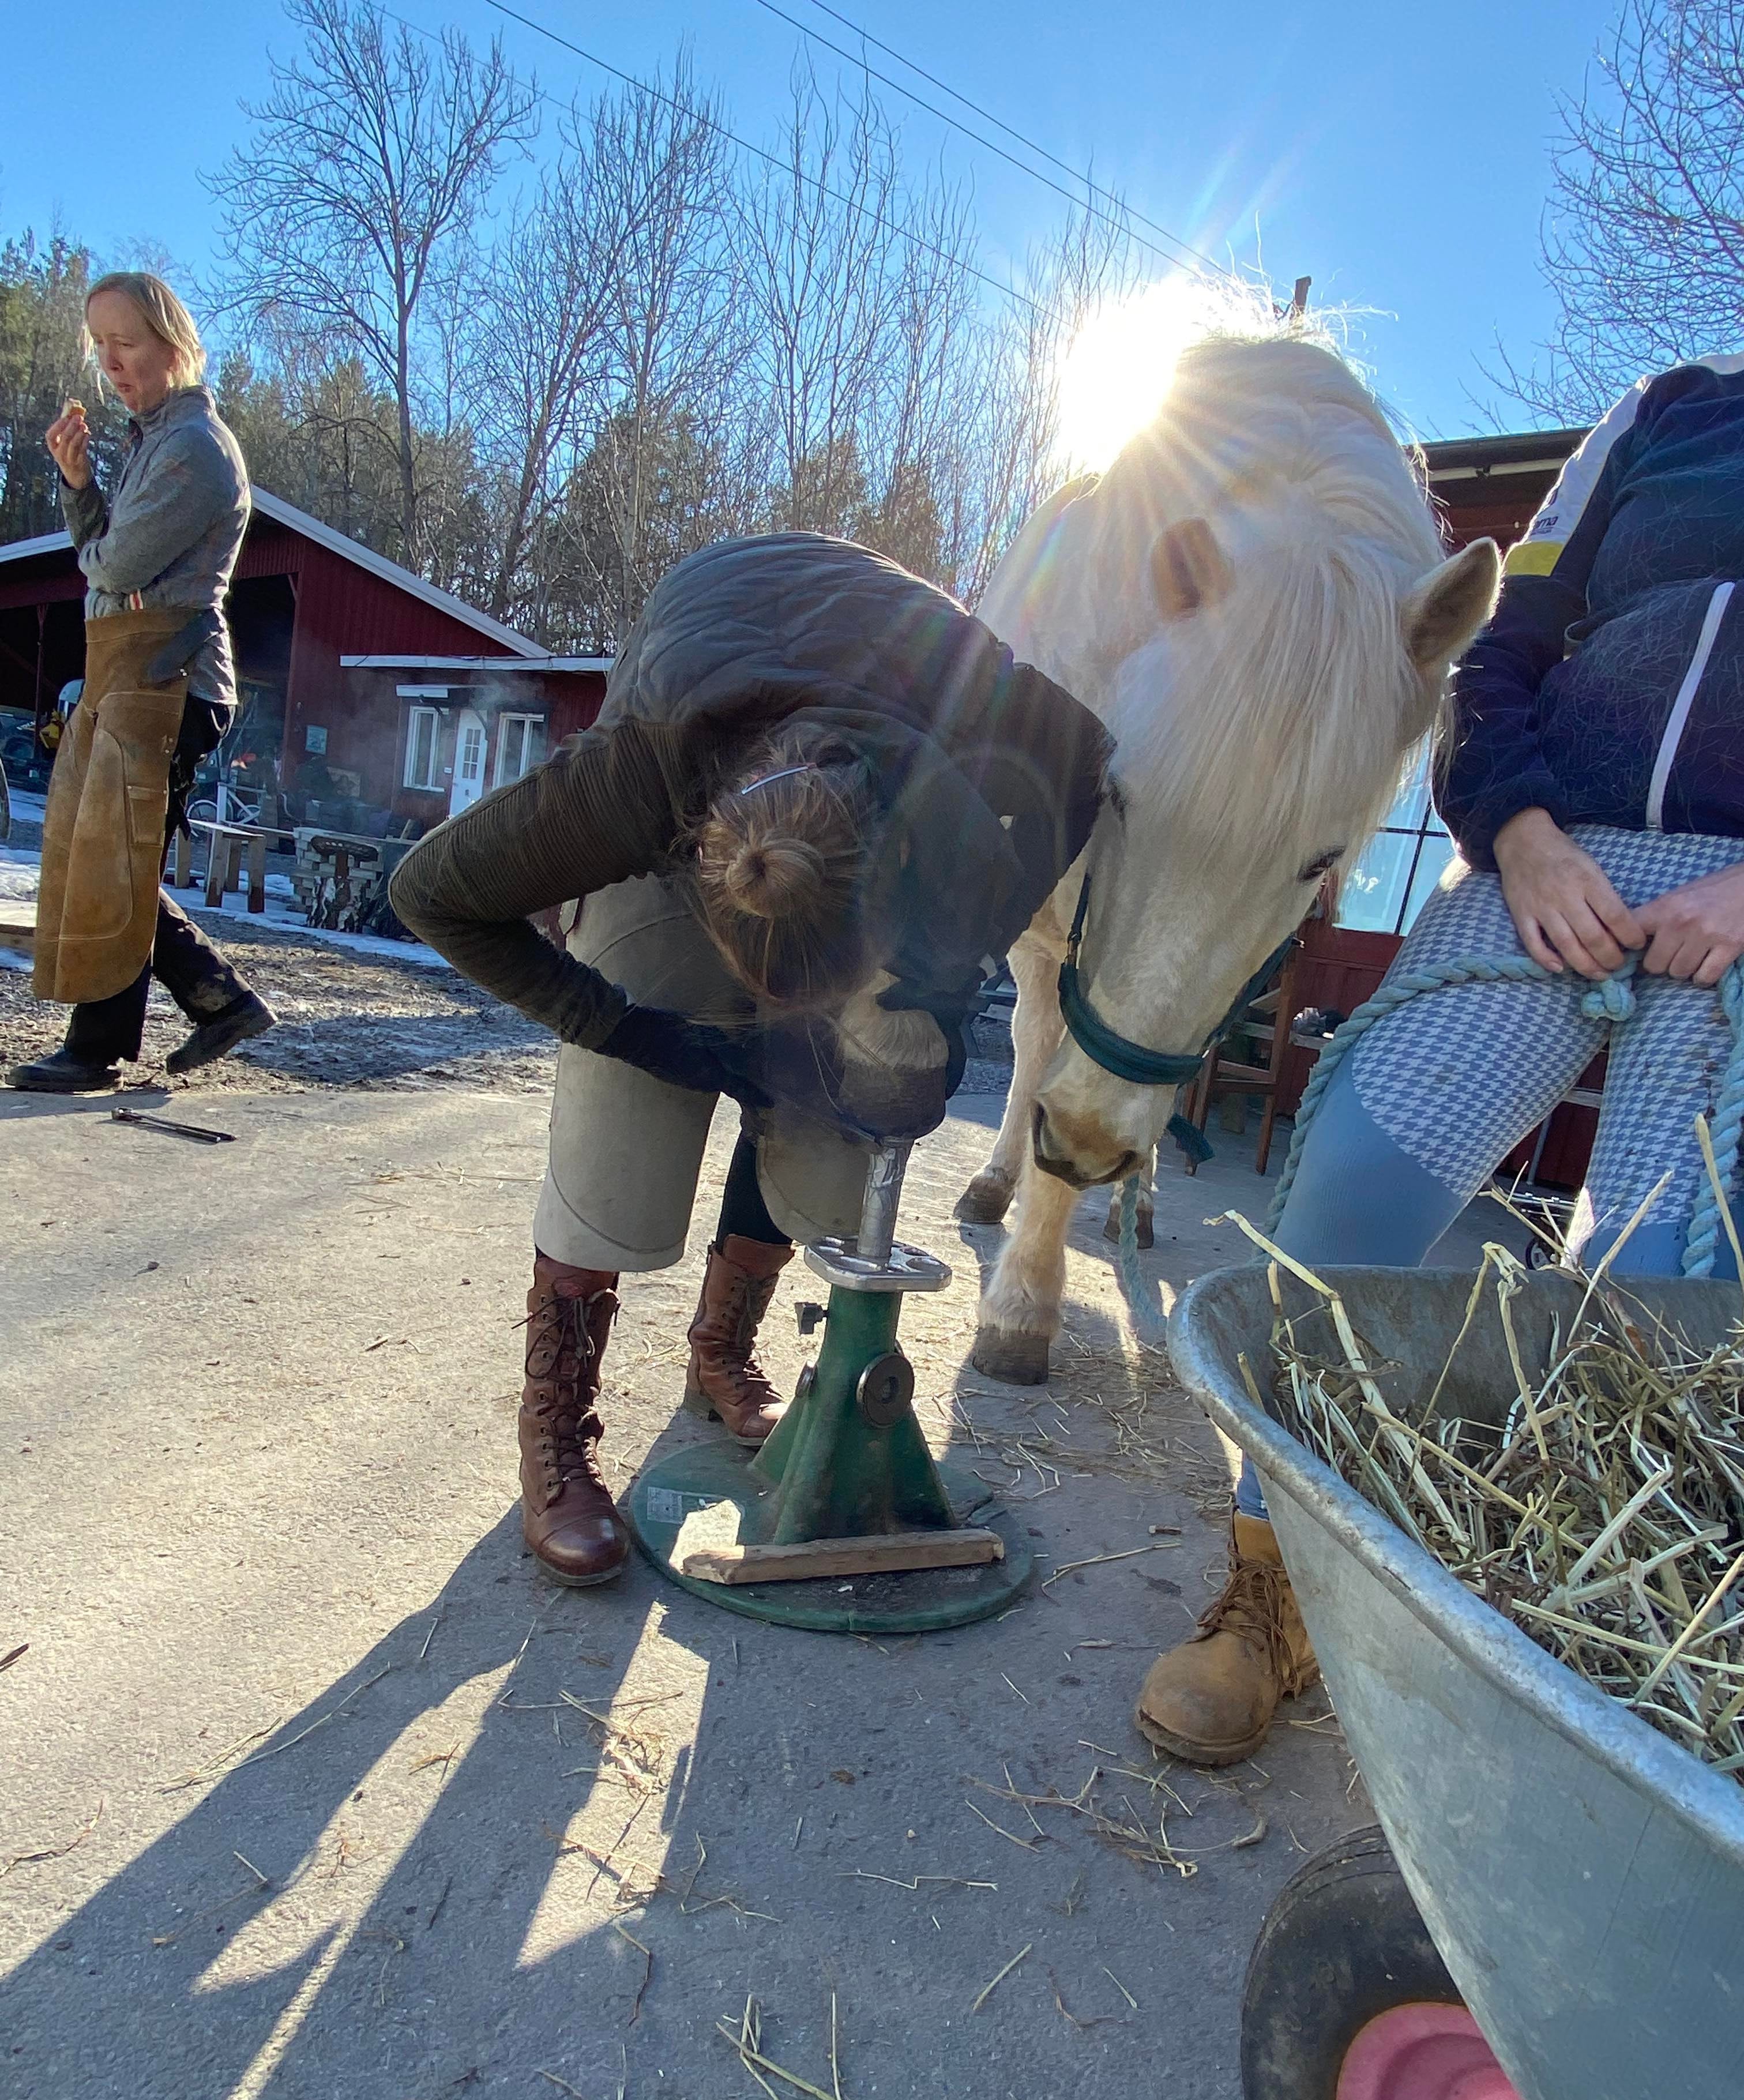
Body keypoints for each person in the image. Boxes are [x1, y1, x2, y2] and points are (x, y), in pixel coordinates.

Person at [1137, 350, 1744, 1767]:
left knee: (1660, 1304)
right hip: (1557, 859)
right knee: (1350, 1169)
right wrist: (1518, 833)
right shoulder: (1670, 414)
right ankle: (1271, 1593)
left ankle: (1576, 1667)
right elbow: (1508, 634)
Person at [390, 529, 1111, 1590]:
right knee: (620, 1135)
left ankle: (720, 1349)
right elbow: (429, 892)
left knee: (828, 1117)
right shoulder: (629, 785)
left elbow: (1088, 762)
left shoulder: (965, 736)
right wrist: (623, 1027)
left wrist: (968, 947)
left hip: (871, 712)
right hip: (698, 724)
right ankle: (555, 1423)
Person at [13, 273, 275, 1094]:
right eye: (100, 347)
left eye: (124, 342)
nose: (111, 362)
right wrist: (78, 485)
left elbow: (114, 564)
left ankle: (102, 1049)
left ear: (170, 341)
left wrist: (98, 548)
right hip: (135, 668)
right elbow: (103, 561)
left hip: (175, 676)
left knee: (115, 861)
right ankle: (217, 1003)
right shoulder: (151, 441)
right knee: (108, 859)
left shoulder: (195, 447)